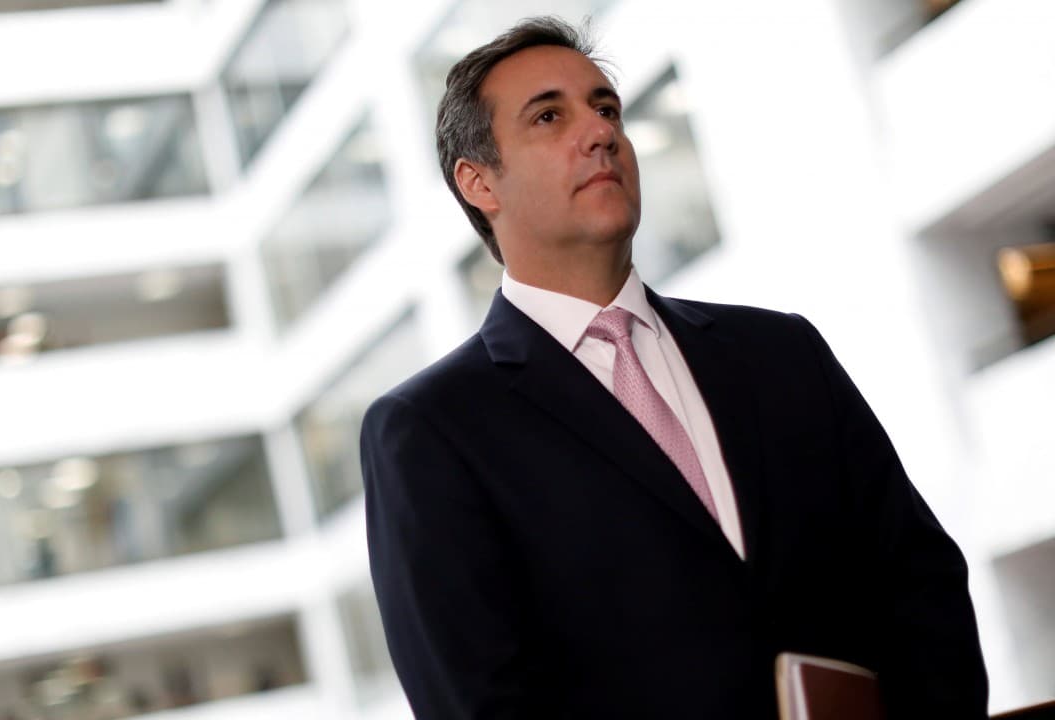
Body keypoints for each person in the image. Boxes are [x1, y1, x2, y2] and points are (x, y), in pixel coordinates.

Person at [359, 16, 988, 720]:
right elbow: (478, 702)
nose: (599, 132)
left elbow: (920, 584)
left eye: (606, 109)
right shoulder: (431, 431)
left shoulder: (783, 353)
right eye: (549, 116)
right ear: (478, 182)